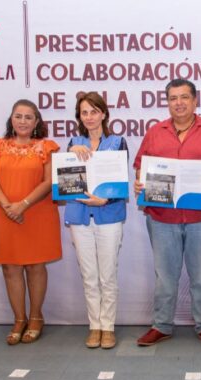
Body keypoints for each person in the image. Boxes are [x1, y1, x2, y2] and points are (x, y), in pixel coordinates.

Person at [133, 78, 201, 348]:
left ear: (195, 100)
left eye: (184, 97)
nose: (178, 102)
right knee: (165, 276)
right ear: (167, 102)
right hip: (162, 217)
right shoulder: (155, 132)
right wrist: (140, 181)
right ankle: (161, 325)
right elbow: (140, 166)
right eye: (173, 98)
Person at [0, 99, 62, 345]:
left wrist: (23, 204)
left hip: (37, 213)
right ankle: (19, 319)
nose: (23, 121)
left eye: (29, 117)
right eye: (19, 116)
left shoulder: (47, 147)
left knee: (36, 266)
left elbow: (49, 181)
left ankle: (36, 317)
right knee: (11, 268)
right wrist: (7, 205)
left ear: (37, 121)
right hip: (6, 213)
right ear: (11, 119)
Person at [64, 92, 128, 349]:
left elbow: (122, 182)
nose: (89, 117)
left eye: (94, 111)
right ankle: (94, 326)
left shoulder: (117, 142)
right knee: (89, 275)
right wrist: (70, 151)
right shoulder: (73, 142)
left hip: (108, 216)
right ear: (79, 116)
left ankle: (108, 326)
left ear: (103, 113)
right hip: (79, 217)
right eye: (84, 112)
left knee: (108, 275)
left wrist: (106, 200)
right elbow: (65, 177)